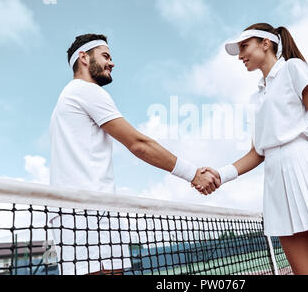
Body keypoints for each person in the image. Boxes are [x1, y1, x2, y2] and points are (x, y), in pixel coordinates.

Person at [194, 23, 308, 275]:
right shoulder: (256, 98)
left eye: (244, 47)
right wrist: (220, 174)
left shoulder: (293, 68)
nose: (240, 56)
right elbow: (257, 152)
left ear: (266, 43)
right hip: (278, 193)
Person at [49, 34, 220, 275]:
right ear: (83, 58)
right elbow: (138, 144)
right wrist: (193, 174)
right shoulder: (86, 91)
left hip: (77, 217)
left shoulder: (65, 99)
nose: (112, 63)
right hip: (90, 216)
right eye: (106, 56)